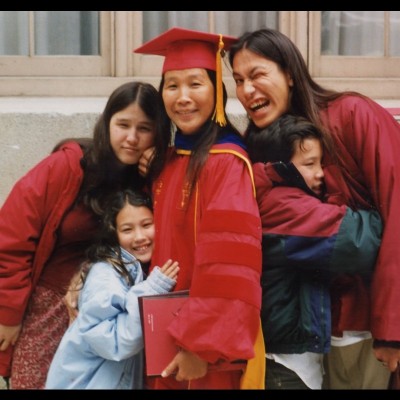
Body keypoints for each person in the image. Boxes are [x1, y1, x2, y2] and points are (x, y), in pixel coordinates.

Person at [229, 28, 400, 389]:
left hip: (361, 326)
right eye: (238, 80)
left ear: (290, 73)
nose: (246, 90)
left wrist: (391, 328)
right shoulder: (257, 145)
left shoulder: (352, 115)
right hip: (302, 338)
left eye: (258, 75)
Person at [0, 81, 169, 389]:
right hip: (47, 311)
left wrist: (161, 165)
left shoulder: (150, 179)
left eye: (144, 128)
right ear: (107, 124)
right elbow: (11, 238)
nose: (132, 138)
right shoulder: (68, 165)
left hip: (108, 315)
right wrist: (8, 314)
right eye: (123, 125)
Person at [134, 27, 264, 390]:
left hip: (207, 354)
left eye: (195, 83)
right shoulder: (172, 160)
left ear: (217, 91)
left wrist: (199, 345)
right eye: (171, 86)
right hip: (164, 338)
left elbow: (230, 265)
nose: (182, 97)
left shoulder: (227, 163)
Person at [247, 113, 382, 389]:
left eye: (321, 162)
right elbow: (359, 243)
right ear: (281, 166)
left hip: (288, 360)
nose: (321, 173)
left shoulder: (272, 194)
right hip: (285, 366)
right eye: (310, 164)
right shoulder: (284, 205)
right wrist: (383, 209)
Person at [45, 189, 179, 389]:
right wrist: (152, 290)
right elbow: (114, 341)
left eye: (147, 225)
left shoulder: (133, 269)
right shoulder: (104, 276)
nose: (139, 236)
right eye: (127, 230)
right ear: (113, 233)